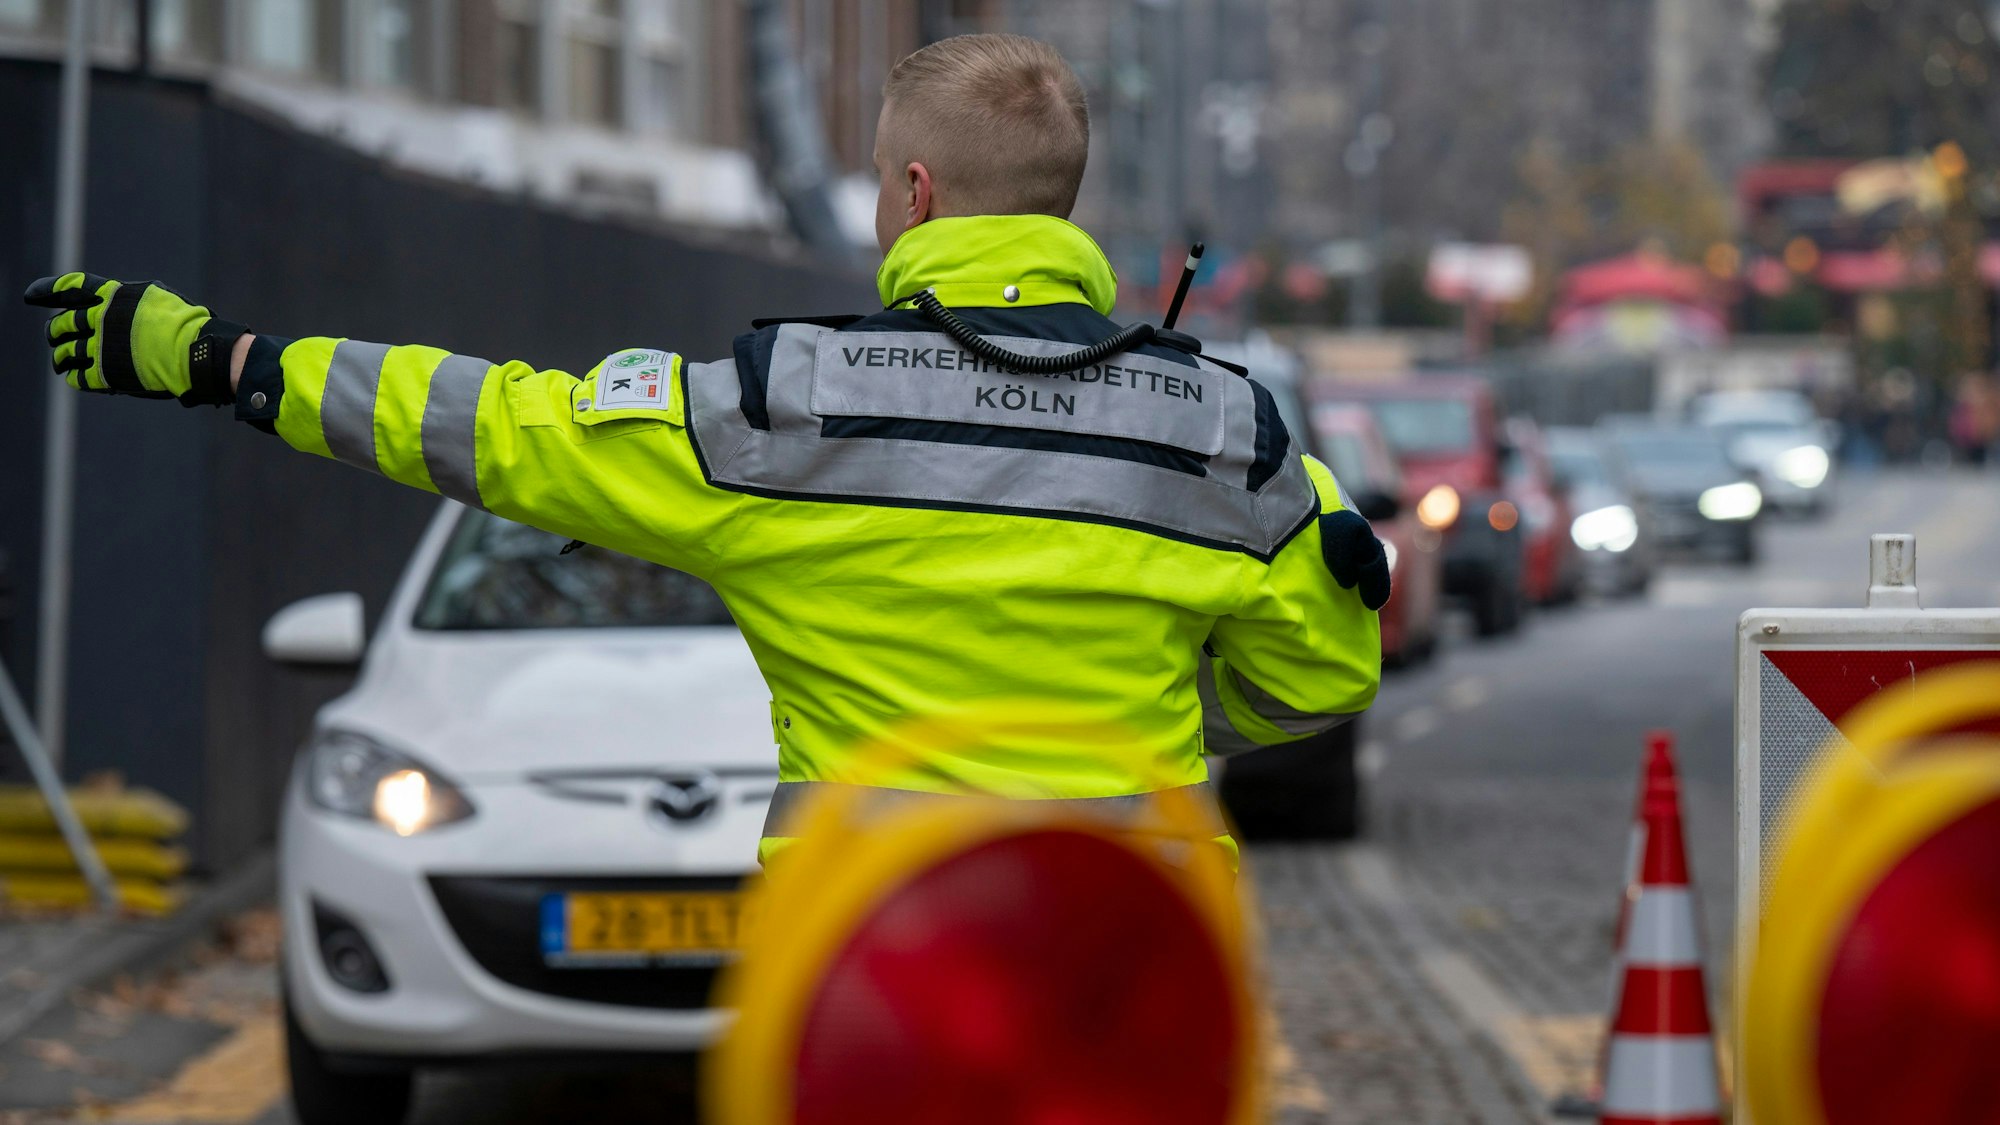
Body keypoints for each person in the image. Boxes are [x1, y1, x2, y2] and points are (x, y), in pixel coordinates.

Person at [24, 34, 1384, 864]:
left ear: (915, 194)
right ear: (1059, 203)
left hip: (866, 970)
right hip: (1136, 964)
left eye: (881, 184)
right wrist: (1146, 727)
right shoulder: (1230, 431)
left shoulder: (782, 409)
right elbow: (1327, 662)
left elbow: (492, 425)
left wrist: (226, 361)